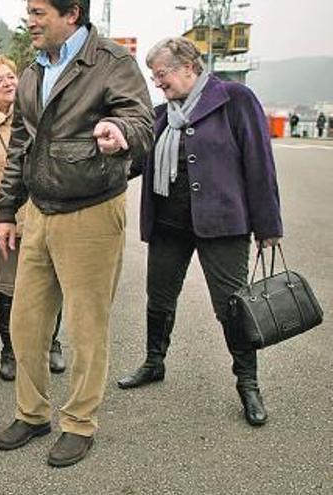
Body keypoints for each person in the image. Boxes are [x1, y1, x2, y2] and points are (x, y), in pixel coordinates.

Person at [0, 0, 153, 467]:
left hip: (92, 210)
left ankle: (79, 423)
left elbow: (141, 120)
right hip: (38, 212)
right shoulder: (31, 71)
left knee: (86, 328)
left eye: (40, 11)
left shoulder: (112, 62)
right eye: (29, 11)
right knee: (26, 324)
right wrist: (5, 209)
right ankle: (32, 413)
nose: (30, 19)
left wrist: (118, 129)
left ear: (73, 14)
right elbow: (22, 144)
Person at [117, 37, 283, 428]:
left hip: (223, 225)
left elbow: (260, 163)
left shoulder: (235, 99)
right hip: (169, 225)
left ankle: (248, 384)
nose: (158, 83)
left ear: (189, 67)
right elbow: (135, 162)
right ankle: (154, 362)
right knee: (158, 299)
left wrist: (268, 225)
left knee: (232, 307)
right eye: (154, 76)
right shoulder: (159, 116)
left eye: (162, 75)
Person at [0, 56, 66, 382]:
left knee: (53, 282)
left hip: (46, 215)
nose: (9, 83)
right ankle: (10, 350)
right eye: (0, 80)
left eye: (12, 77)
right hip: (5, 223)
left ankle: (51, 343)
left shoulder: (39, 118)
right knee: (10, 286)